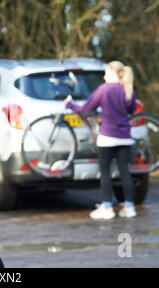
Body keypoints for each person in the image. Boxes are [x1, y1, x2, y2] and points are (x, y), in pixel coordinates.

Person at [64, 61, 137, 220]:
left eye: (105, 72)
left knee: (105, 173)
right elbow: (132, 110)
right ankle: (129, 207)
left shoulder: (104, 90)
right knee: (125, 172)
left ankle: (107, 207)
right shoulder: (128, 88)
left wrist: (70, 104)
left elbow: (86, 109)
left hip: (108, 138)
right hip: (125, 138)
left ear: (112, 72)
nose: (103, 76)